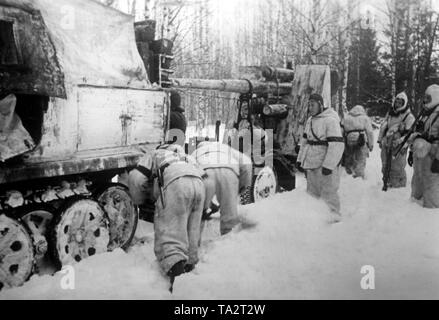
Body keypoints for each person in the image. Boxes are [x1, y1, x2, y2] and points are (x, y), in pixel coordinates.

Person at [128, 144, 206, 281]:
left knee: (170, 234)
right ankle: (189, 269)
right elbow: (207, 179)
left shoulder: (155, 153)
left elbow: (136, 178)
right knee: (191, 231)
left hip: (176, 182)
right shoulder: (188, 157)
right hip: (199, 185)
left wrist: (139, 200)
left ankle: (176, 278)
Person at [297, 93, 345, 220]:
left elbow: (336, 145)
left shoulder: (330, 120)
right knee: (312, 192)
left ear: (320, 105)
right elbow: (304, 142)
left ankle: (334, 216)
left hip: (324, 164)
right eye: (309, 105)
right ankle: (315, 217)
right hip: (311, 162)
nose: (310, 108)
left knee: (328, 192)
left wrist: (329, 165)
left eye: (312, 105)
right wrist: (300, 159)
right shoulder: (310, 120)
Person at [192, 141, 253, 235]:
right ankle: (228, 241)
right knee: (229, 217)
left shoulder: (195, 152)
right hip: (229, 171)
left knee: (198, 215)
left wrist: (206, 204)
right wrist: (243, 186)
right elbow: (247, 162)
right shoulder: (226, 148)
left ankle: (195, 243)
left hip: (204, 172)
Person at [377, 92, 415, 188]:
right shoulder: (391, 113)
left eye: (400, 103)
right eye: (396, 102)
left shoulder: (408, 116)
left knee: (397, 167)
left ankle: (398, 186)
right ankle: (387, 181)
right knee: (385, 164)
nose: (397, 104)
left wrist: (404, 144)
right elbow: (384, 126)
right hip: (387, 142)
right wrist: (380, 139)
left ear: (404, 103)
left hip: (399, 145)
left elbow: (410, 134)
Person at [410, 84, 439, 208]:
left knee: (431, 182)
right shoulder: (425, 113)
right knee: (418, 178)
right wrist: (411, 152)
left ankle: (431, 209)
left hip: (433, 154)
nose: (425, 100)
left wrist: (438, 159)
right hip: (421, 154)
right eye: (425, 98)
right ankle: (415, 203)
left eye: (428, 98)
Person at [341, 105, 374, 179]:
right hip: (361, 141)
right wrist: (371, 145)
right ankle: (359, 176)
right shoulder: (365, 118)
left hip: (349, 141)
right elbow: (370, 132)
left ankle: (348, 174)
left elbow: (341, 131)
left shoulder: (346, 118)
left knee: (349, 157)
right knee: (360, 159)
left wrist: (342, 144)